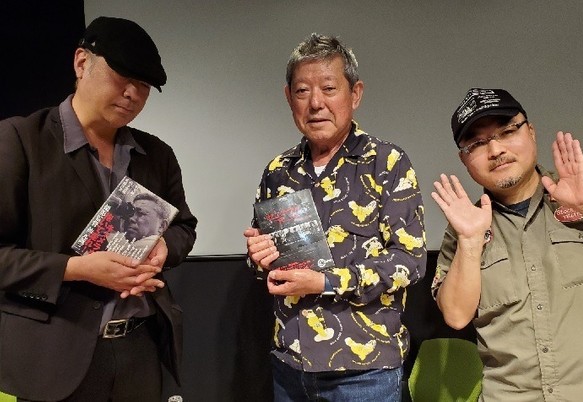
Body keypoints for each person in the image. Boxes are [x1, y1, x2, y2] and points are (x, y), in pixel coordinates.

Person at [0, 16, 197, 401]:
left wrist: (163, 248)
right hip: (54, 355)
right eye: (122, 76)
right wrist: (76, 269)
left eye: (144, 85)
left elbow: (183, 227)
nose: (132, 93)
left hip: (139, 348)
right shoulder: (20, 141)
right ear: (81, 63)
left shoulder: (156, 155)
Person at [244, 33, 427, 401]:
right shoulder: (278, 171)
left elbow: (409, 261)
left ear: (355, 94)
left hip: (364, 371)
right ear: (288, 97)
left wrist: (324, 282)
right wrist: (259, 257)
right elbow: (267, 266)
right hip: (290, 364)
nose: (316, 103)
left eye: (329, 88)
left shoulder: (386, 162)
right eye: (302, 91)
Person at [431, 88, 583, 400]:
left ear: (530, 131)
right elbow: (456, 315)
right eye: (477, 143)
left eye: (507, 131)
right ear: (464, 159)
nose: (495, 149)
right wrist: (471, 243)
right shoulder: (466, 228)